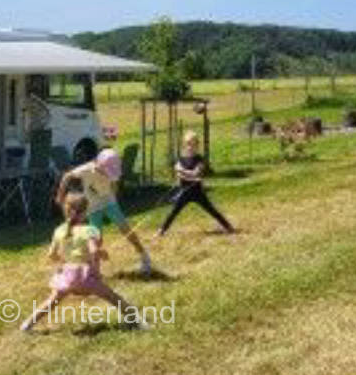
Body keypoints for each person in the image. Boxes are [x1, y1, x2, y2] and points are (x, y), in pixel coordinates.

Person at [20, 194, 145, 332]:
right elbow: (93, 251)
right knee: (113, 297)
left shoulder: (59, 231)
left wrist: (64, 263)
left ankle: (27, 324)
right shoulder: (90, 230)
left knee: (51, 301)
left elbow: (51, 255)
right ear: (85, 212)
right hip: (85, 277)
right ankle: (138, 322)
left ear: (65, 211)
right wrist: (101, 257)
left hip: (66, 277)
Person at [56, 147, 151, 276]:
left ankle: (144, 256)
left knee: (126, 229)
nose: (109, 175)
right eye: (107, 172)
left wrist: (114, 197)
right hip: (93, 207)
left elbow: (114, 183)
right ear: (99, 165)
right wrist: (60, 195)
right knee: (96, 239)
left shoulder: (112, 168)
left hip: (109, 202)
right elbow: (67, 176)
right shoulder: (86, 170)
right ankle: (95, 271)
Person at [157, 130, 235, 236]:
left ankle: (228, 227)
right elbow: (180, 173)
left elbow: (195, 172)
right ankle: (161, 230)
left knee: (211, 210)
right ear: (185, 144)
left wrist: (184, 173)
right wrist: (188, 175)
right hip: (184, 192)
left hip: (197, 192)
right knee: (173, 212)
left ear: (197, 145)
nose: (191, 146)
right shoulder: (180, 158)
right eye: (189, 143)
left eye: (194, 143)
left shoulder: (199, 158)